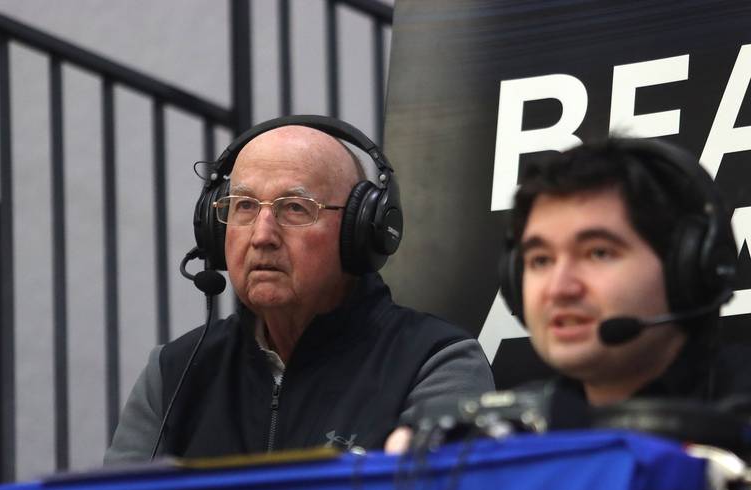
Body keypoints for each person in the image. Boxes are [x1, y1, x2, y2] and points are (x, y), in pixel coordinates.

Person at [105, 115, 494, 463]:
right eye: (243, 206)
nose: (262, 235)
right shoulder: (174, 373)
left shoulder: (434, 363)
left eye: (295, 208)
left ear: (359, 231)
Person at [500, 136, 751, 406]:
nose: (559, 289)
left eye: (598, 253)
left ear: (688, 268)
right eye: (541, 260)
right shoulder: (500, 436)